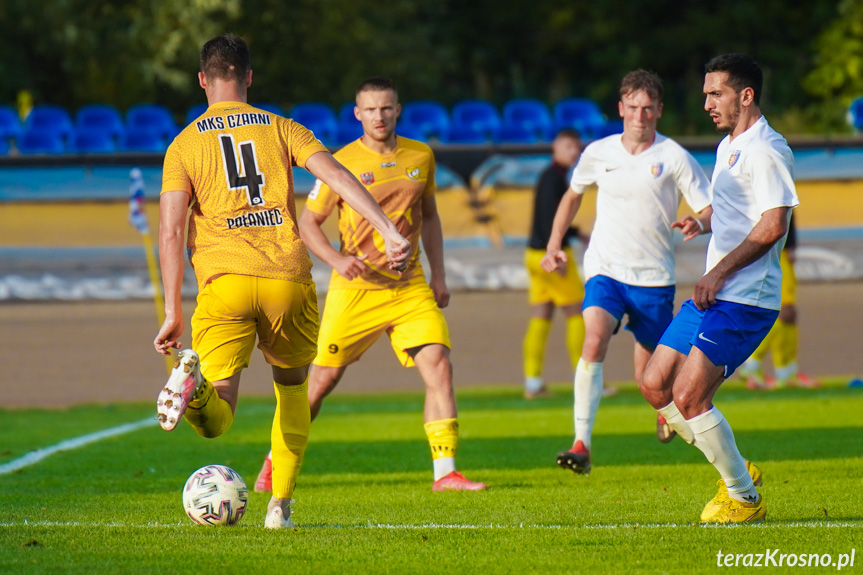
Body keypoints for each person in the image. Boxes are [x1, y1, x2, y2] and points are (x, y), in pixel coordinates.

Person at [153, 35, 410, 530]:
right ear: (249, 77)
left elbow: (169, 230)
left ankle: (196, 388)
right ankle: (279, 509)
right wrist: (386, 228)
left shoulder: (182, 144)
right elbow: (335, 173)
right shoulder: (280, 127)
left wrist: (172, 310)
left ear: (203, 80)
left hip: (223, 280)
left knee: (219, 415)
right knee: (292, 393)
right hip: (286, 279)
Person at [253, 76, 487, 493]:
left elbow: (429, 218)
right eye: (371, 109)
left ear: (398, 110)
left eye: (387, 108)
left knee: (439, 366)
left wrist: (439, 274)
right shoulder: (340, 163)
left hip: (409, 285)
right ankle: (275, 461)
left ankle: (445, 472)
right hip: (357, 290)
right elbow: (307, 224)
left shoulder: (421, 156)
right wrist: (338, 260)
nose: (379, 116)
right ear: (357, 113)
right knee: (320, 382)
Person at [638, 53, 798, 523]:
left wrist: (717, 272)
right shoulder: (731, 144)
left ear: (745, 96)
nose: (707, 102)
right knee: (653, 384)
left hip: (745, 299)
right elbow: (732, 207)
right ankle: (735, 468)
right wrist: (702, 220)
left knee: (689, 396)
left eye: (716, 93)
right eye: (707, 92)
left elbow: (772, 225)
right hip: (717, 292)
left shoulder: (767, 150)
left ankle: (744, 499)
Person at [541, 70, 712, 475]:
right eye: (633, 107)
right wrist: (554, 244)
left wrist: (698, 223)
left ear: (659, 111)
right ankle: (581, 442)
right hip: (606, 270)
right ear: (621, 109)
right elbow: (572, 196)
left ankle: (663, 408)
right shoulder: (599, 153)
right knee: (594, 338)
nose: (640, 116)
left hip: (653, 279)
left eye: (648, 108)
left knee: (649, 379)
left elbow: (707, 207)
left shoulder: (673, 157)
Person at [523, 128, 589, 399]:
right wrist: (564, 244)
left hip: (533, 256)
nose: (574, 152)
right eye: (569, 146)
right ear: (556, 147)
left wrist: (575, 233)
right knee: (577, 312)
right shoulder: (555, 178)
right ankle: (584, 381)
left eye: (577, 147)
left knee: (542, 315)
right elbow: (552, 220)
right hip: (553, 256)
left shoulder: (549, 176)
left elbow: (545, 218)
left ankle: (532, 382)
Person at [739, 213, 820, 389]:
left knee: (789, 314)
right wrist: (789, 245)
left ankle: (787, 373)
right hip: (772, 248)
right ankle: (751, 365)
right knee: (784, 310)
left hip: (775, 246)